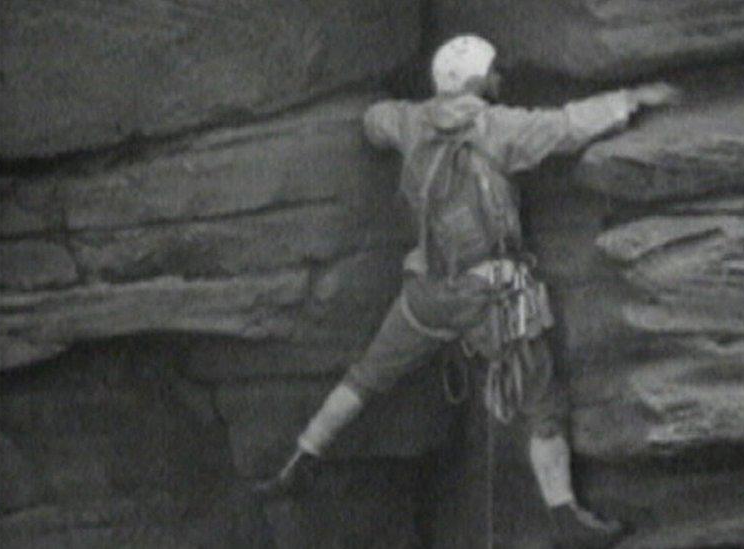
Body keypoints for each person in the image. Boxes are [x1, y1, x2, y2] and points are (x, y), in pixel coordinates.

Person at [259, 34, 678, 548]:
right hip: (489, 299)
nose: (502, 76)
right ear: (479, 81)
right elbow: (566, 127)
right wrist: (628, 100)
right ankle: (565, 518)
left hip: (427, 294)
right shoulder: (496, 129)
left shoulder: (411, 122)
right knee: (542, 402)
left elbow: (374, 123)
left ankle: (300, 459)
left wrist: (373, 116)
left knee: (367, 376)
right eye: (495, 70)